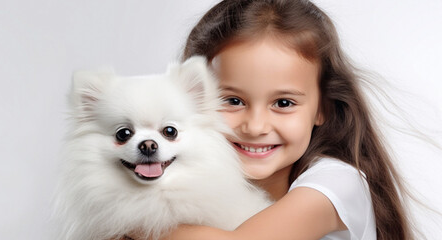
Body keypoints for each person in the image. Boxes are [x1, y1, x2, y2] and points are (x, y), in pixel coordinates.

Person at [129, 0, 414, 239]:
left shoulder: (337, 182)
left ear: (322, 108)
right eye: (233, 101)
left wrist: (128, 223)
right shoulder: (193, 183)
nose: (255, 127)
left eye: (283, 103)